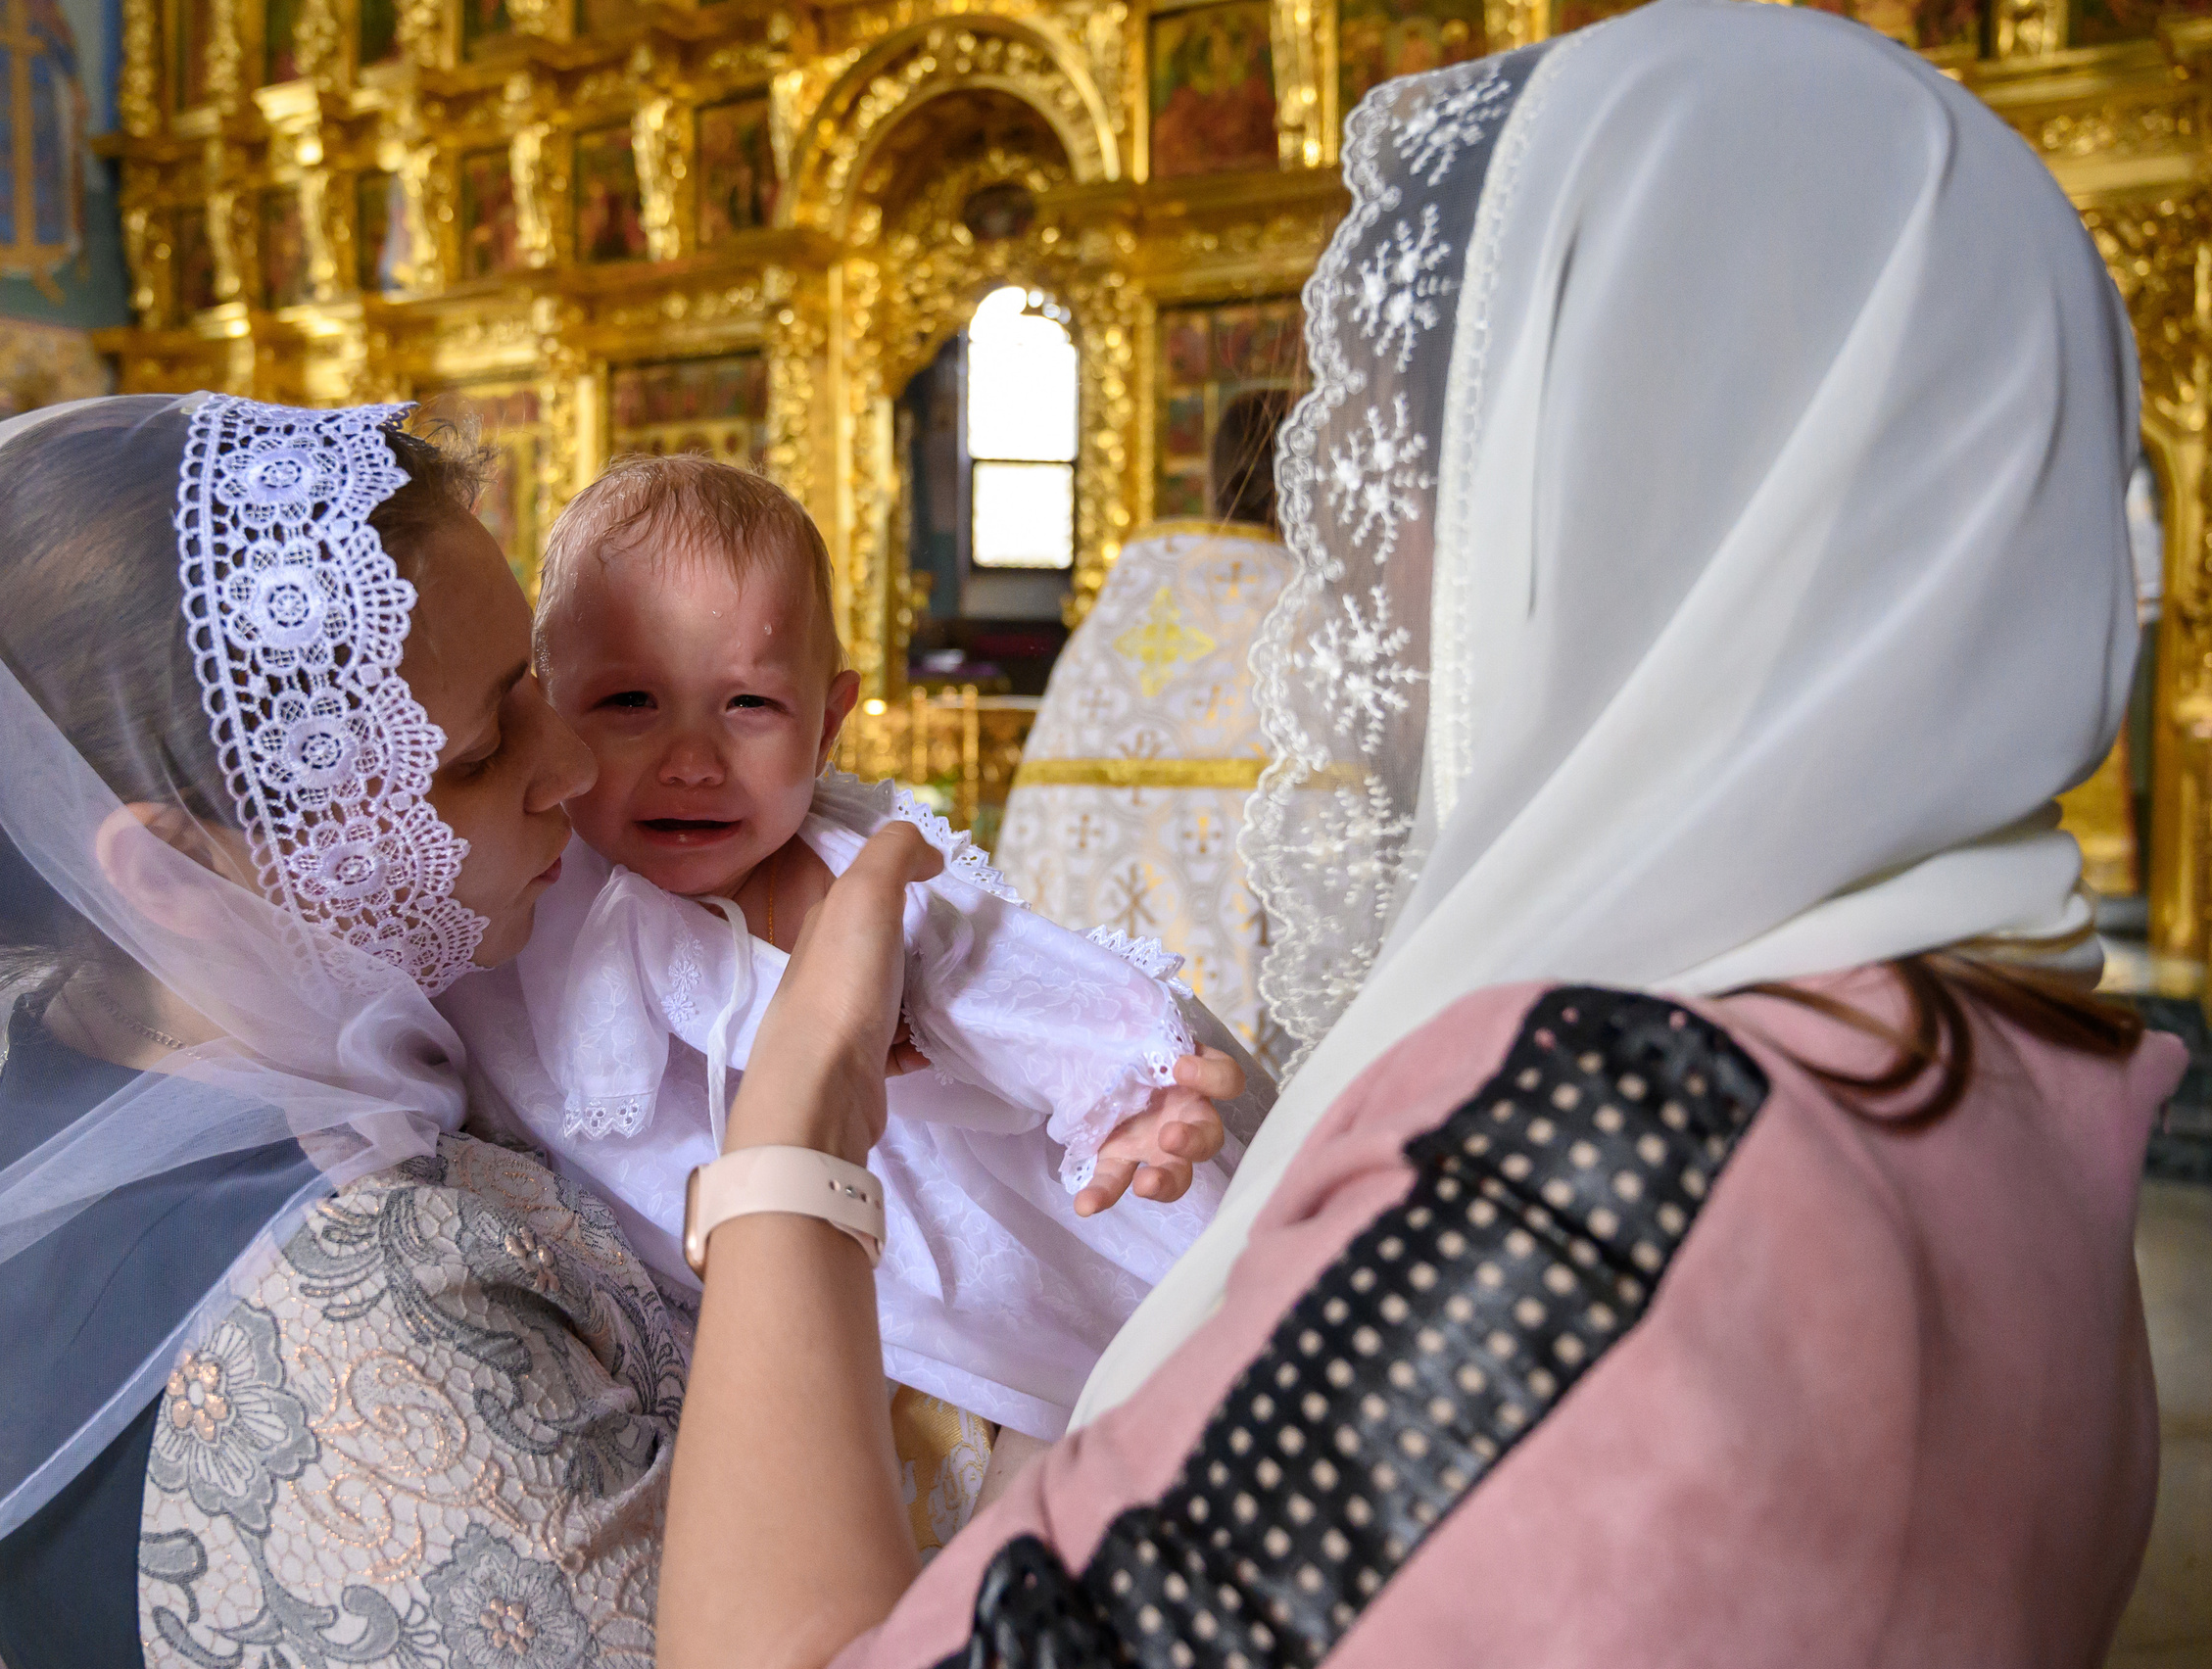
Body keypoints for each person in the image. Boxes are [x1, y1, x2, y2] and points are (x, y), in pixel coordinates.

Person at [653, 6, 2187, 1665]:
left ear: (1612, 508)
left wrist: (800, 1104)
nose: (1337, 589)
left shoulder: (1606, 1157)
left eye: (1393, 479)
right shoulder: (2007, 1050)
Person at [0, 392, 1022, 1669]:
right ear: (171, 875)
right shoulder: (385, 1292)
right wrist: (800, 1127)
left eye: (540, 687)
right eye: (470, 753)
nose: (569, 769)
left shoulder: (102, 1051)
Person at [445, 453, 1261, 1469]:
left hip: (904, 1251)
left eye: (748, 706)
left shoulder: (841, 873)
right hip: (658, 1268)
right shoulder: (523, 877)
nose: (691, 760)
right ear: (545, 704)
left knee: (1114, 1409)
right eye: (628, 705)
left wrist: (1124, 1091)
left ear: (827, 724)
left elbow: (1004, 979)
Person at [996, 389, 1300, 1062]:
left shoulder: (1120, 614)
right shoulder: (1301, 613)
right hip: (1248, 1018)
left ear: (1214, 480)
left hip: (1095, 1036)